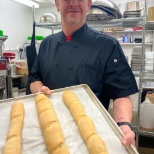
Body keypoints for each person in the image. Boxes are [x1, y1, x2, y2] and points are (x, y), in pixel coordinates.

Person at [29, 0, 138, 148]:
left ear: (88, 4)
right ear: (57, 4)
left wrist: (123, 124)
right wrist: (39, 89)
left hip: (92, 134)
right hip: (51, 130)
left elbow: (121, 93)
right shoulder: (46, 44)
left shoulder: (107, 45)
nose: (73, 3)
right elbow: (34, 79)